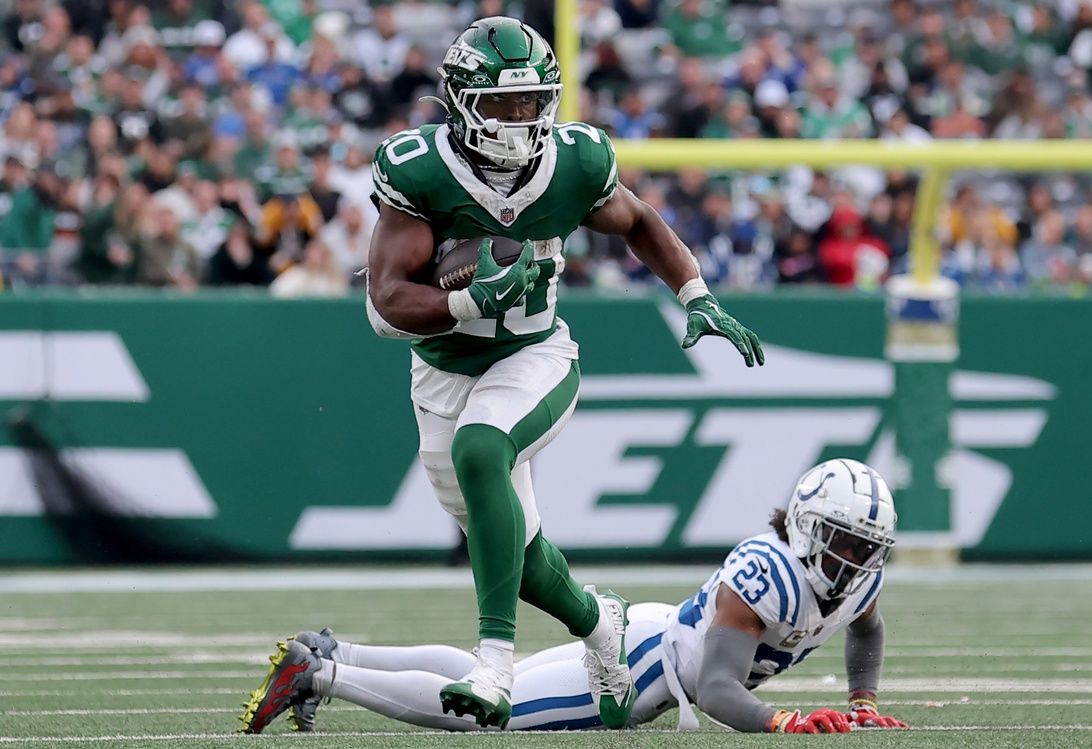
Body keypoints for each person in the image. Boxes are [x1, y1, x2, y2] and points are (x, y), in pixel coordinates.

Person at [238, 16, 764, 734]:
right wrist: (467, 298)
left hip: (536, 355)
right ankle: (599, 622)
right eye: (504, 105)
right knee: (514, 552)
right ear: (459, 102)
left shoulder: (574, 160)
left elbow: (636, 219)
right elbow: (387, 302)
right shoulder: (420, 170)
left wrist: (696, 293)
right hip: (443, 374)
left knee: (483, 448)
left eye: (532, 102)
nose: (521, 120)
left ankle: (495, 662)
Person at [239, 459, 909, 734]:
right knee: (484, 715)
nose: (852, 559)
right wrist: (784, 723)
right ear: (805, 525)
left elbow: (866, 630)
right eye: (842, 540)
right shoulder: (768, 570)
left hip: (653, 638)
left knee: (489, 680)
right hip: (647, 666)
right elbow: (716, 685)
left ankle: (339, 651)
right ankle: (320, 673)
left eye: (863, 545)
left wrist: (863, 702)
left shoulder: (857, 579)